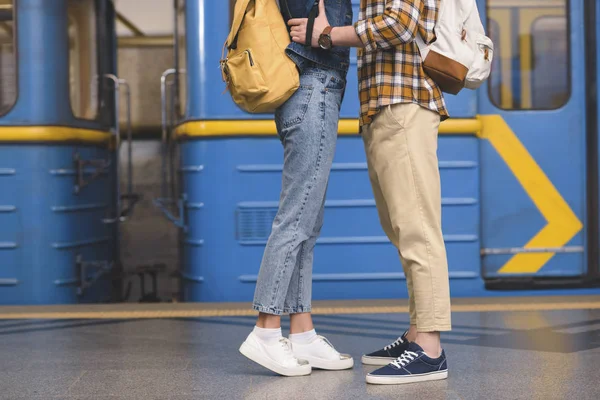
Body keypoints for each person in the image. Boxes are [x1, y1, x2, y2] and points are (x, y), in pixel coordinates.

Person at [288, 0, 452, 385]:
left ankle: (429, 350)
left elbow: (398, 24)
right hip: (384, 107)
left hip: (404, 103)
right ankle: (417, 332)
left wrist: (326, 35)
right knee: (400, 229)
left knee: (417, 230)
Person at [239, 0, 355, 377]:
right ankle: (266, 329)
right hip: (314, 85)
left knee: (308, 220)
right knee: (296, 217)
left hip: (315, 88)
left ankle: (302, 331)